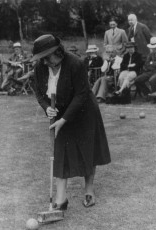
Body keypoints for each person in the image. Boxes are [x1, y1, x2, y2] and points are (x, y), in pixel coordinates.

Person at [31, 34, 111, 209]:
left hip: (84, 111)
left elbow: (81, 94)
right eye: (41, 58)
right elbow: (38, 92)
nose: (44, 62)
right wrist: (47, 108)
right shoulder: (40, 67)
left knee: (87, 151)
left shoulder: (75, 63)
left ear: (57, 52)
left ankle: (89, 190)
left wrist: (64, 119)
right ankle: (61, 199)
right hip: (59, 111)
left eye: (46, 57)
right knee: (61, 152)